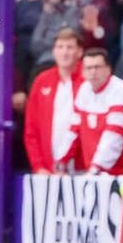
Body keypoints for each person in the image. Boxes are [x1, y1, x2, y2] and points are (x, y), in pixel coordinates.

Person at [61, 48, 123, 175]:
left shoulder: (121, 91)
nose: (93, 72)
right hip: (95, 173)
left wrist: (97, 168)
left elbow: (114, 136)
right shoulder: (84, 89)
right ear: (83, 71)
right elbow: (73, 130)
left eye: (97, 67)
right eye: (88, 68)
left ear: (108, 69)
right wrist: (61, 160)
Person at [24, 27, 83, 173]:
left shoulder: (88, 79)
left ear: (79, 52)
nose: (64, 52)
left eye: (69, 47)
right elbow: (31, 129)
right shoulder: (42, 81)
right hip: (47, 170)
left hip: (82, 169)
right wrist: (38, 167)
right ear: (53, 52)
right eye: (60, 47)